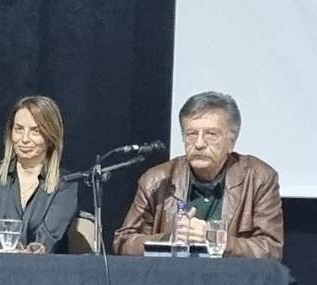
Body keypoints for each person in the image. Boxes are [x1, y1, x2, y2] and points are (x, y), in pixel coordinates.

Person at [114, 91, 283, 258]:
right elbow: (124, 241)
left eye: (211, 134)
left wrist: (214, 238)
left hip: (230, 275)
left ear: (232, 141)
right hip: (173, 274)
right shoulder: (157, 180)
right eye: (192, 134)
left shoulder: (259, 178)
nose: (199, 143)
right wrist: (170, 239)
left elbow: (271, 249)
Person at [0, 96, 79, 253]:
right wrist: (12, 246)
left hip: (43, 266)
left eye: (35, 131)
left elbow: (47, 238)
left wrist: (26, 248)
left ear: (51, 137)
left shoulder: (65, 185)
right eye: (19, 129)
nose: (24, 139)